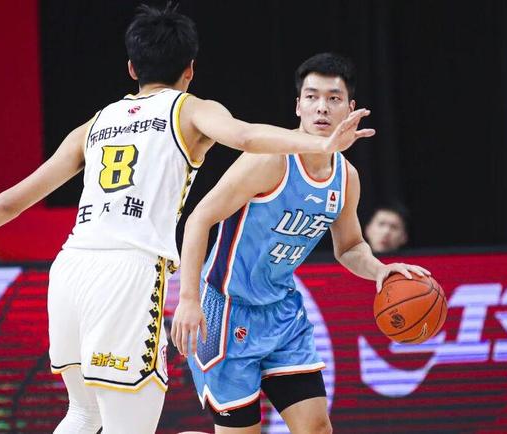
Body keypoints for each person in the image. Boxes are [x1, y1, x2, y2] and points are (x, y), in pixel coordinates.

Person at [0, 6, 374, 433]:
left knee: (82, 413)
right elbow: (244, 136)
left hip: (69, 271)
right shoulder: (190, 111)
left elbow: (11, 201)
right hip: (128, 273)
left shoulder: (94, 125)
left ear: (132, 67)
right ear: (190, 70)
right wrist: (319, 142)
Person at [171, 53, 430, 434]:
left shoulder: (346, 177)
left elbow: (350, 247)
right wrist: (189, 299)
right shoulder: (269, 160)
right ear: (298, 106)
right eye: (311, 97)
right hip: (227, 311)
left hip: (282, 313)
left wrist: (380, 269)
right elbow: (199, 219)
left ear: (350, 108)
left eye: (333, 98)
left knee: (317, 428)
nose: (321, 107)